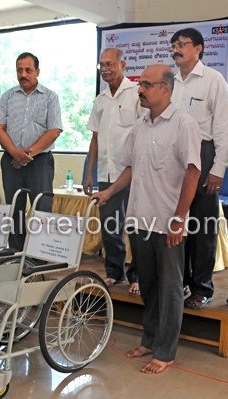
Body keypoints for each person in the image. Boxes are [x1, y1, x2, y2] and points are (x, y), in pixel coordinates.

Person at [93, 65, 201, 374]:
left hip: (168, 222)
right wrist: (109, 192)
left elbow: (193, 171)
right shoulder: (139, 126)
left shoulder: (184, 124)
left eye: (147, 85)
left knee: (169, 289)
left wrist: (180, 218)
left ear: (166, 89)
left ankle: (165, 352)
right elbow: (130, 168)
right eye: (140, 84)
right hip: (139, 219)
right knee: (149, 286)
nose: (140, 90)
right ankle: (150, 339)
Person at [170, 28, 228, 309]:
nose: (176, 49)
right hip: (172, 156)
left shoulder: (213, 80)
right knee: (176, 221)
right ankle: (179, 281)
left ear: (198, 48)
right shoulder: (168, 81)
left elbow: (223, 127)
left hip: (203, 154)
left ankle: (202, 287)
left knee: (203, 226)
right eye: (173, 45)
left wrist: (219, 167)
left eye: (182, 44)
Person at [84, 48, 144, 293]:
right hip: (105, 174)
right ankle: (114, 272)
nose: (105, 69)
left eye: (110, 64)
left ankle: (138, 276)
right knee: (110, 226)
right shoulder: (100, 99)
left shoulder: (136, 94)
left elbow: (145, 132)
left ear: (123, 65)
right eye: (101, 65)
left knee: (136, 227)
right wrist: (89, 172)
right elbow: (95, 139)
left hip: (132, 173)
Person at [0, 52, 63, 251]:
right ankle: (16, 253)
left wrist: (26, 155)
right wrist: (15, 153)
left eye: (28, 70)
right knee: (14, 208)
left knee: (41, 209)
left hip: (40, 162)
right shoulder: (7, 96)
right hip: (11, 161)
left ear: (37, 71)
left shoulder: (50, 97)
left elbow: (54, 131)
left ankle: (38, 255)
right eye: (19, 70)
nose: (23, 74)